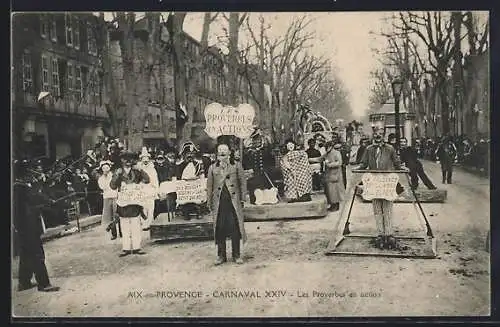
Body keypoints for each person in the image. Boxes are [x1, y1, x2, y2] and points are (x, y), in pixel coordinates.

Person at [14, 159, 60, 292]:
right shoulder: (21, 187)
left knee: (26, 253)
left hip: (23, 225)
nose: (32, 171)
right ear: (25, 171)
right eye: (29, 169)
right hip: (28, 225)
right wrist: (49, 202)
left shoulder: (19, 186)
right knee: (37, 254)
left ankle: (24, 282)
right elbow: (34, 199)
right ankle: (44, 284)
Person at [357, 128, 403, 249]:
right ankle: (380, 233)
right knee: (377, 208)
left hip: (386, 182)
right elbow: (363, 164)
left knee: (387, 208)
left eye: (380, 134)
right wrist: (357, 169)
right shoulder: (369, 149)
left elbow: (397, 163)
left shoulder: (390, 149)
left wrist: (403, 169)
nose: (378, 136)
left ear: (384, 136)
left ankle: (389, 233)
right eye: (376, 134)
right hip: (374, 182)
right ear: (373, 135)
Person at [207, 144, 247, 265]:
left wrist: (243, 198)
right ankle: (221, 256)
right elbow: (209, 186)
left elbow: (243, 182)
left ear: (229, 152)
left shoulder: (236, 166)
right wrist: (209, 202)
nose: (222, 153)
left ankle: (236, 255)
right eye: (220, 151)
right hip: (219, 204)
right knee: (220, 230)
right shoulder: (212, 168)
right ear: (217, 154)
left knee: (235, 229)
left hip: (232, 203)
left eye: (225, 150)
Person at [110, 151, 150, 257]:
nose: (128, 161)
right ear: (121, 160)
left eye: (130, 159)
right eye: (125, 159)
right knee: (124, 226)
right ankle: (126, 248)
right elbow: (112, 186)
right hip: (123, 204)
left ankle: (137, 247)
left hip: (135, 204)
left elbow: (147, 180)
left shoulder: (137, 172)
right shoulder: (118, 172)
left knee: (136, 226)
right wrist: (116, 175)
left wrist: (141, 170)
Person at [312, 141, 345, 211]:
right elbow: (319, 159)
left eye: (327, 147)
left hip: (335, 174)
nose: (326, 148)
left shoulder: (336, 153)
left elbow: (339, 163)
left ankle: (336, 206)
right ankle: (332, 204)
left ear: (331, 146)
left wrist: (329, 164)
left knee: (335, 191)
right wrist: (308, 159)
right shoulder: (326, 154)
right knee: (329, 191)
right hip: (328, 175)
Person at [135, 147, 159, 230]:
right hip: (141, 189)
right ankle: (143, 223)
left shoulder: (152, 169)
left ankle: (150, 223)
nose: (145, 161)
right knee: (142, 207)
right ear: (141, 160)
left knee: (151, 207)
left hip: (150, 190)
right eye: (143, 159)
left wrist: (156, 190)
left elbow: (155, 181)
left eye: (147, 159)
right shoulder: (138, 170)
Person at [97, 160, 121, 240]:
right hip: (107, 198)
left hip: (115, 196)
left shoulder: (114, 176)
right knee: (110, 217)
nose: (105, 170)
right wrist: (105, 178)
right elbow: (102, 187)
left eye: (107, 168)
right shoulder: (101, 178)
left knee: (118, 215)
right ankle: (114, 234)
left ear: (109, 168)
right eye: (104, 168)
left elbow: (115, 185)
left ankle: (122, 232)